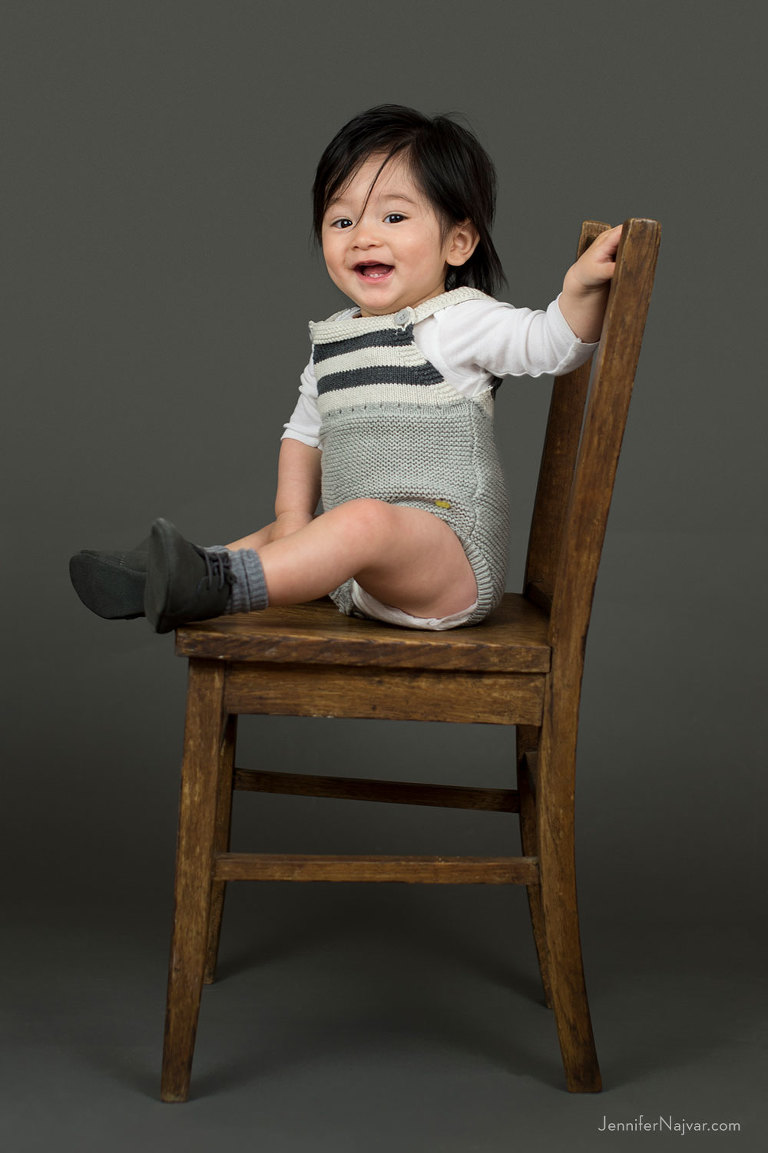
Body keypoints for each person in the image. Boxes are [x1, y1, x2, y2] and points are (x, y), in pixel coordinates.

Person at [70, 104, 621, 634]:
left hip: (449, 561)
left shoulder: (459, 319)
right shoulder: (333, 343)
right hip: (360, 575)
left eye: (394, 216)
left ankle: (218, 585)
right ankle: (159, 580)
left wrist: (578, 291)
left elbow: (551, 344)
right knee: (294, 533)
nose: (364, 235)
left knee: (363, 522)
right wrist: (290, 524)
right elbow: (302, 437)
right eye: (342, 219)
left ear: (458, 241)